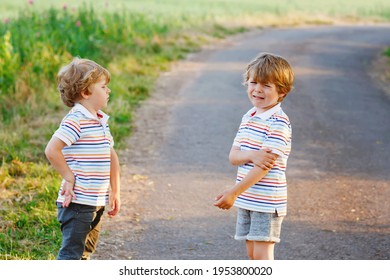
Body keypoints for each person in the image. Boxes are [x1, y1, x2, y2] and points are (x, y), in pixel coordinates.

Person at [214, 53, 294, 260]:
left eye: (267, 85)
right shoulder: (249, 116)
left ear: (282, 91)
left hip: (267, 201)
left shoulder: (279, 123)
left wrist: (233, 192)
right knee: (252, 253)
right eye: (254, 82)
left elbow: (263, 167)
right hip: (248, 198)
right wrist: (251, 154)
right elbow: (233, 156)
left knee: (262, 255)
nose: (258, 89)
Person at [45, 57, 121, 260]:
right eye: (103, 87)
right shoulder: (76, 120)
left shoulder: (100, 119)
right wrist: (69, 177)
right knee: (72, 254)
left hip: (96, 201)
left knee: (85, 253)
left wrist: (115, 191)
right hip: (78, 203)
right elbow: (52, 150)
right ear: (86, 92)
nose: (108, 91)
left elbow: (111, 154)